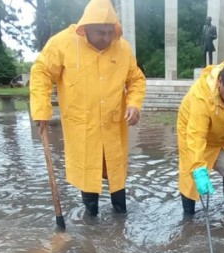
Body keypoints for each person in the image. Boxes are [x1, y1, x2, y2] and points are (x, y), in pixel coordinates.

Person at [30, 0, 146, 216]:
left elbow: (136, 79)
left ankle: (121, 216)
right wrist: (41, 110)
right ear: (86, 29)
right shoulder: (63, 43)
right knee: (88, 174)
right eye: (100, 32)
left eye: (110, 31)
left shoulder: (122, 48)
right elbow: (42, 72)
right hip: (83, 126)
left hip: (113, 126)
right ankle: (91, 219)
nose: (106, 37)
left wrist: (134, 104)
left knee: (116, 174)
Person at [177, 59, 224, 215]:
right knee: (191, 179)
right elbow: (196, 135)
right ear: (220, 82)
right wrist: (199, 169)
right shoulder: (201, 98)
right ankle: (188, 218)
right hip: (192, 133)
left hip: (223, 132)